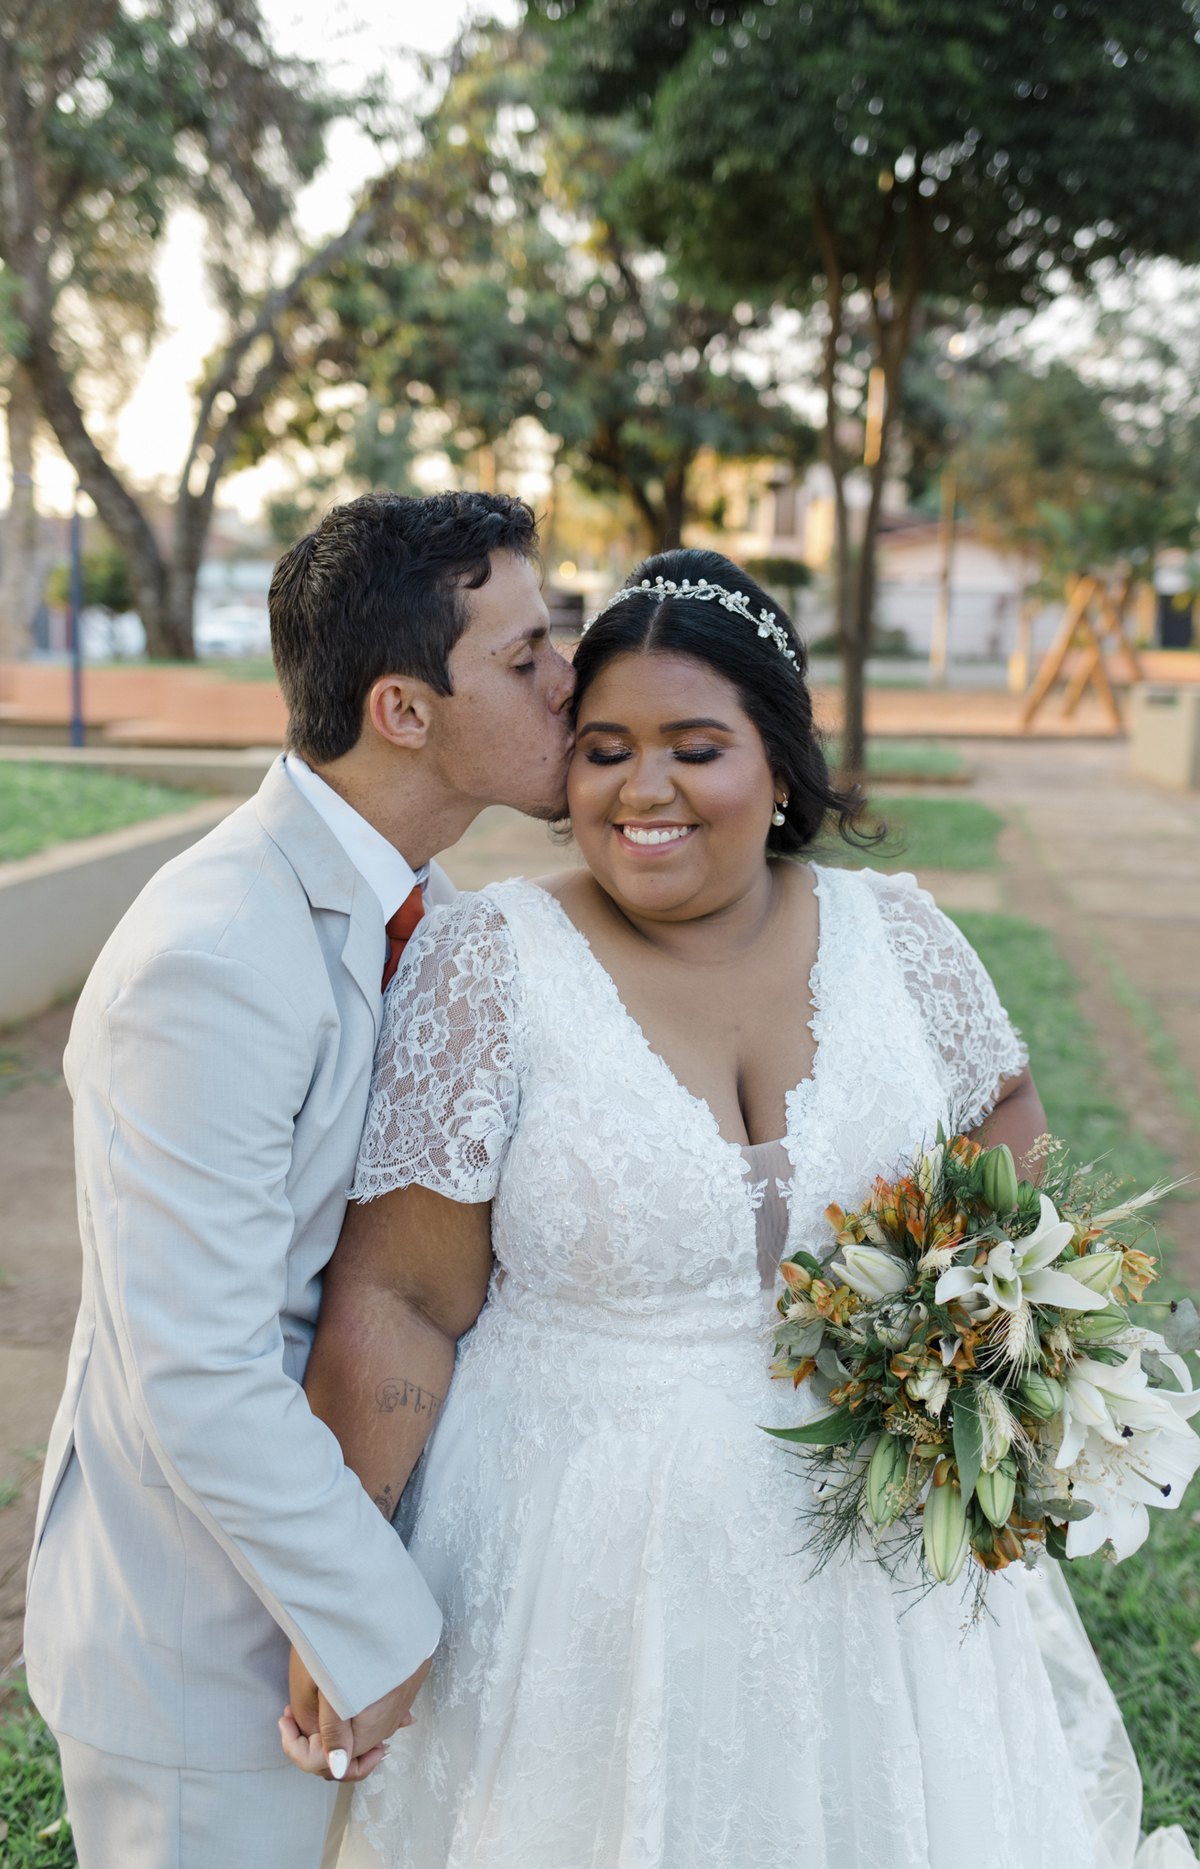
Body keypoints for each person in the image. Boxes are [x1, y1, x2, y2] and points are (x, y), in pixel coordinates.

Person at [292, 547, 1194, 1869]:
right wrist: (341, 1588)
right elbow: (401, 1297)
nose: (642, 790)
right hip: (575, 1564)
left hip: (879, 1576)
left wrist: (998, 1367)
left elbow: (1014, 1182)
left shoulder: (902, 937)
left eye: (693, 746)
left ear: (778, 760)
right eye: (602, 748)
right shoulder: (490, 961)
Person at [23, 490, 576, 1869]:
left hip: (343, 1603)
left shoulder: (435, 919)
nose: (569, 678)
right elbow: (197, 1367)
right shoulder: (211, 954)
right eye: (524, 656)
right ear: (403, 710)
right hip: (199, 1646)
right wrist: (373, 1622)